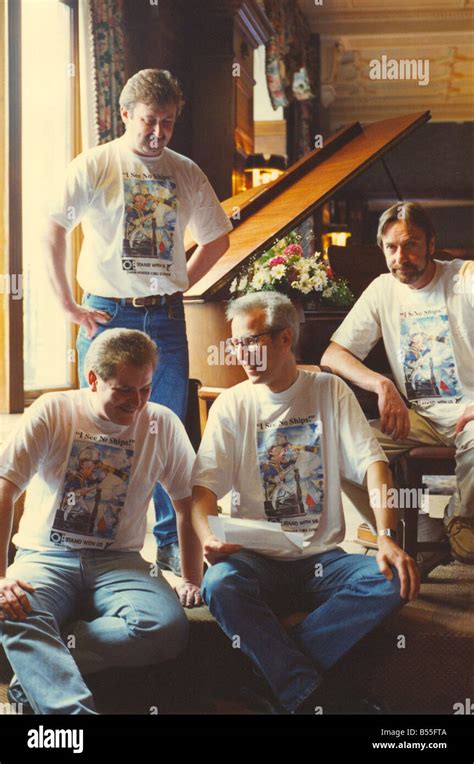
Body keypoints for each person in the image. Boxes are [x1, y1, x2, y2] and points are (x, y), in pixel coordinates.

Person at [191, 292, 419, 714]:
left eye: (252, 341)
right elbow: (202, 492)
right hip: (254, 557)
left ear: (285, 339)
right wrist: (207, 536)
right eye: (236, 343)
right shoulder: (232, 404)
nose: (242, 354)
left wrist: (387, 537)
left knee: (392, 579)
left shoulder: (329, 391)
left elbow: (374, 466)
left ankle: (271, 674)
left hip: (321, 559)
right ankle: (315, 695)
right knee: (219, 585)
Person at [44, 68, 233, 576]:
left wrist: (180, 284)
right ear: (126, 114)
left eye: (168, 123)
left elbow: (218, 238)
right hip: (106, 311)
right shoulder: (95, 164)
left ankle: (173, 544)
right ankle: (90, 540)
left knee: (168, 428)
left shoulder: (185, 171)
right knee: (99, 427)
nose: (157, 132)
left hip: (166, 318)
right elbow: (53, 229)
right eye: (149, 121)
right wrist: (67, 304)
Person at [0, 329, 203, 714]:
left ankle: (39, 669)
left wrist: (191, 577)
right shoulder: (53, 410)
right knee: (12, 609)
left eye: (145, 388)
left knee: (165, 629)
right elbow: (4, 489)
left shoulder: (162, 423)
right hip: (45, 556)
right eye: (124, 390)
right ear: (92, 379)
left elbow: (186, 503)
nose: (138, 402)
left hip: (121, 562)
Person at [321, 202, 473, 566]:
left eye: (411, 244)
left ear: (431, 243)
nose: (401, 256)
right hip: (417, 418)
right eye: (391, 247)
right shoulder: (382, 290)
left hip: (469, 415)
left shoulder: (463, 278)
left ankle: (460, 515)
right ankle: (418, 525)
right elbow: (332, 355)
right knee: (335, 449)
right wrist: (382, 386)